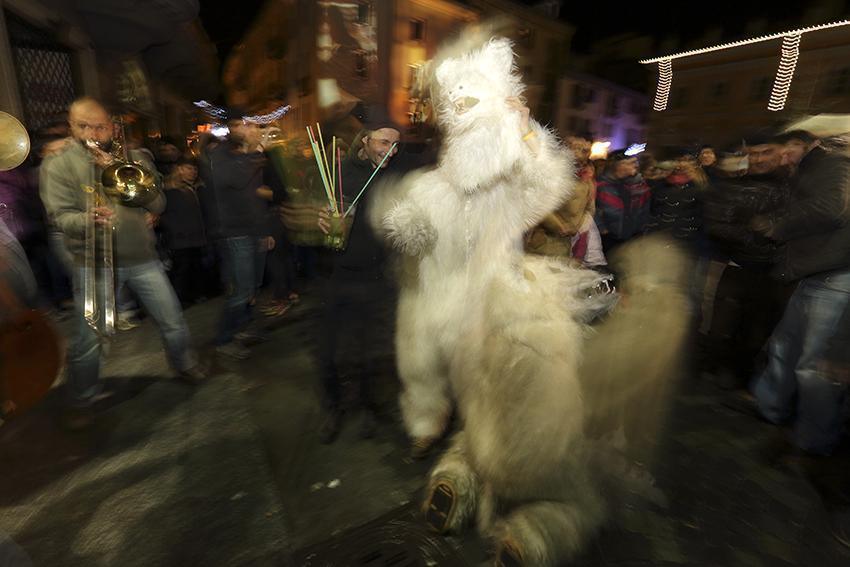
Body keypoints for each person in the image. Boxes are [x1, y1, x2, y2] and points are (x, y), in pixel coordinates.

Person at [40, 97, 206, 427]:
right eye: (83, 126)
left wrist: (116, 169)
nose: (92, 133)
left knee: (173, 319)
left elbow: (158, 204)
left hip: (142, 257)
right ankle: (82, 398)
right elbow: (59, 217)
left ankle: (184, 364)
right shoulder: (57, 165)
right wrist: (87, 219)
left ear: (112, 127)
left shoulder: (136, 157)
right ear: (71, 126)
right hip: (93, 262)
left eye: (99, 126)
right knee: (91, 338)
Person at [750, 129, 850, 455]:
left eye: (783, 150)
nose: (780, 159)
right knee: (785, 346)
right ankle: (770, 408)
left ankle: (814, 441)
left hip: (834, 275)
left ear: (803, 144)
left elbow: (831, 208)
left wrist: (778, 226)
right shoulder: (808, 169)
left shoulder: (835, 164)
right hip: (813, 274)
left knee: (814, 365)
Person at [315, 109, 401, 443]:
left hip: (377, 277)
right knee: (330, 350)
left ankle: (367, 406)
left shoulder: (393, 176)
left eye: (396, 144)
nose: (391, 151)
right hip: (337, 275)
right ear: (365, 140)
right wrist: (321, 218)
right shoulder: (339, 173)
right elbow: (319, 211)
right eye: (384, 142)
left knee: (370, 349)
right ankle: (333, 407)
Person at [700, 131, 792, 389]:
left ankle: (744, 376)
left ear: (780, 152)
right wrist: (759, 235)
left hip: (777, 272)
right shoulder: (731, 188)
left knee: (761, 329)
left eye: (766, 152)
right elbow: (717, 225)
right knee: (724, 327)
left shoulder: (795, 187)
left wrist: (771, 231)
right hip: (739, 268)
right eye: (753, 154)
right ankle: (722, 372)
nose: (759, 159)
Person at [198, 107, 272, 360]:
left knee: (253, 287)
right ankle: (224, 339)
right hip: (234, 232)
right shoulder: (220, 154)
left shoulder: (248, 155)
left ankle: (242, 328)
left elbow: (255, 195)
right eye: (243, 125)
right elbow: (236, 180)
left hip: (254, 229)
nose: (250, 130)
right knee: (241, 290)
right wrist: (258, 149)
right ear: (231, 127)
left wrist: (265, 231)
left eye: (252, 125)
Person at [158, 156, 207, 306]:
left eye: (195, 169)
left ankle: (195, 295)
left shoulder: (194, 188)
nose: (193, 172)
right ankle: (179, 300)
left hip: (195, 237)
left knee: (195, 267)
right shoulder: (168, 189)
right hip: (179, 238)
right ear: (179, 169)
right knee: (181, 269)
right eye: (189, 168)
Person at [594, 149, 652, 254]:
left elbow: (645, 208)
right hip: (608, 238)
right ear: (617, 165)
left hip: (633, 237)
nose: (635, 165)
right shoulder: (600, 185)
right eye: (630, 163)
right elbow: (591, 208)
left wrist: (642, 229)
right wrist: (602, 229)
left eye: (635, 162)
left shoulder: (640, 185)